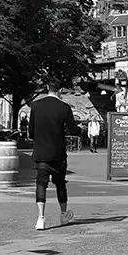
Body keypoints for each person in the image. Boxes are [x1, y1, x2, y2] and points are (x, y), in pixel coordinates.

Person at [29, 81, 78, 230]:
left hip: (41, 152)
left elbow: (31, 131)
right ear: (61, 90)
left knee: (41, 184)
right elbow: (73, 130)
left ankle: (41, 219)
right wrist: (79, 130)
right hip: (58, 153)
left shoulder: (35, 106)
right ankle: (63, 215)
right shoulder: (64, 107)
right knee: (60, 184)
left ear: (47, 88)